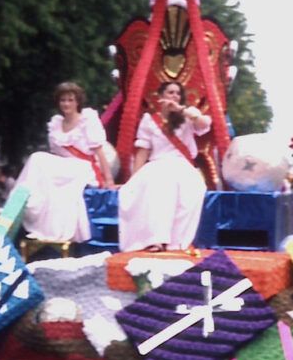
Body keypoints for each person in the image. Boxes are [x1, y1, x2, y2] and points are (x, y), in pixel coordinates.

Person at [118, 80, 211, 252]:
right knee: (158, 187)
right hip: (158, 164)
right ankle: (155, 239)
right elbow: (142, 151)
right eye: (170, 92)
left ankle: (176, 242)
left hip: (182, 165)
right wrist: (134, 178)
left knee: (192, 188)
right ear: (160, 97)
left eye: (177, 93)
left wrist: (181, 110)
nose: (174, 96)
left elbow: (204, 124)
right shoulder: (149, 120)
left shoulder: (188, 115)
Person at [17, 82, 115, 243]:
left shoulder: (87, 120)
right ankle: (30, 202)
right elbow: (55, 154)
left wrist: (109, 180)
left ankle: (35, 207)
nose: (66, 104)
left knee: (38, 158)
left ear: (77, 102)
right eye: (63, 100)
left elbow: (99, 152)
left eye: (70, 100)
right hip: (64, 167)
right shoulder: (55, 124)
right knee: (38, 159)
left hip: (84, 168)